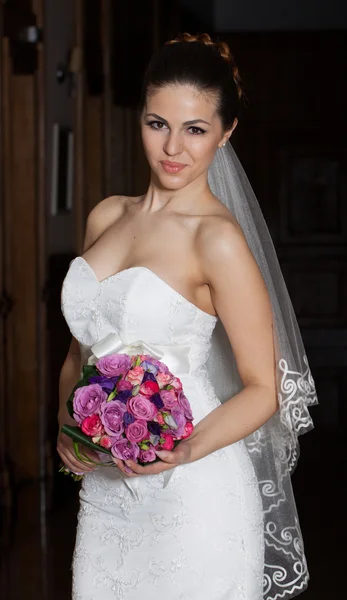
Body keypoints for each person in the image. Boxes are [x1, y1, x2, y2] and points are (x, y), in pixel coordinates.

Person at [58, 33, 316, 600]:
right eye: (157, 124)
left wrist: (188, 448)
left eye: (195, 129)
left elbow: (263, 388)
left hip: (195, 498)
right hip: (105, 495)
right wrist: (68, 427)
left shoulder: (217, 240)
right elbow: (81, 351)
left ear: (225, 134)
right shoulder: (106, 217)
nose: (173, 147)